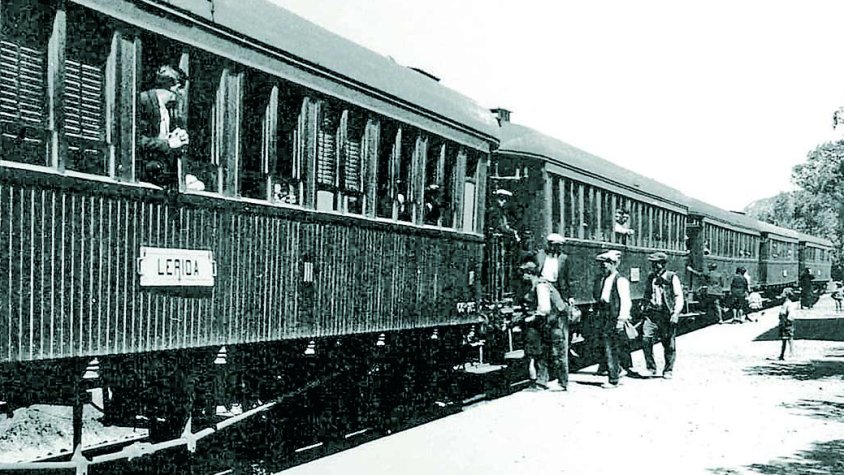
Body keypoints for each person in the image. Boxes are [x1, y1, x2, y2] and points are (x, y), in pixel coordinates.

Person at [138, 64, 199, 190]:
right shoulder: (143, 101)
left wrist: (178, 138)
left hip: (161, 174)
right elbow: (135, 140)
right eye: (182, 90)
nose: (183, 95)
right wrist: (168, 144)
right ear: (176, 88)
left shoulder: (169, 110)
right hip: (143, 174)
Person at [518, 260, 569, 391]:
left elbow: (544, 309)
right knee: (544, 353)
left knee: (557, 353)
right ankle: (542, 383)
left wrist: (528, 319)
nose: (522, 276)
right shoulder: (537, 284)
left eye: (523, 273)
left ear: (530, 273)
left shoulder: (541, 285)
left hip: (554, 324)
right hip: (548, 324)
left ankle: (562, 383)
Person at [593, 250, 633, 388]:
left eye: (607, 263)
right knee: (605, 346)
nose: (603, 265)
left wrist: (621, 320)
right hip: (603, 315)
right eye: (602, 263)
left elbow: (626, 301)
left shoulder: (620, 280)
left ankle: (613, 379)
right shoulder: (602, 279)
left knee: (611, 347)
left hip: (614, 317)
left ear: (614, 264)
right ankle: (617, 370)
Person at [641, 251, 684, 379]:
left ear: (663, 264)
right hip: (652, 314)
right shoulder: (651, 277)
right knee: (645, 339)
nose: (654, 266)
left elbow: (678, 296)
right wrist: (644, 306)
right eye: (652, 263)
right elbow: (647, 294)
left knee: (668, 343)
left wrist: (675, 313)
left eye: (656, 263)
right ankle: (651, 368)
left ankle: (668, 369)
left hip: (666, 314)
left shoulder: (672, 277)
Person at [535, 233, 578, 346]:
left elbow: (569, 278)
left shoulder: (563, 258)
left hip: (557, 289)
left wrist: (571, 296)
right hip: (542, 285)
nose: (557, 248)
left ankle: (563, 344)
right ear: (549, 245)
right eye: (555, 245)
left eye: (559, 246)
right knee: (544, 312)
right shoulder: (540, 255)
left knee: (561, 312)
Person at [777, 288, 798, 360]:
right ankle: (782, 355)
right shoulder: (785, 303)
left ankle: (792, 354)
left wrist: (787, 322)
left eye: (783, 293)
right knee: (784, 339)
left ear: (786, 295)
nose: (781, 295)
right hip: (783, 323)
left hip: (786, 323)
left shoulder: (789, 304)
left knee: (789, 338)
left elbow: (791, 314)